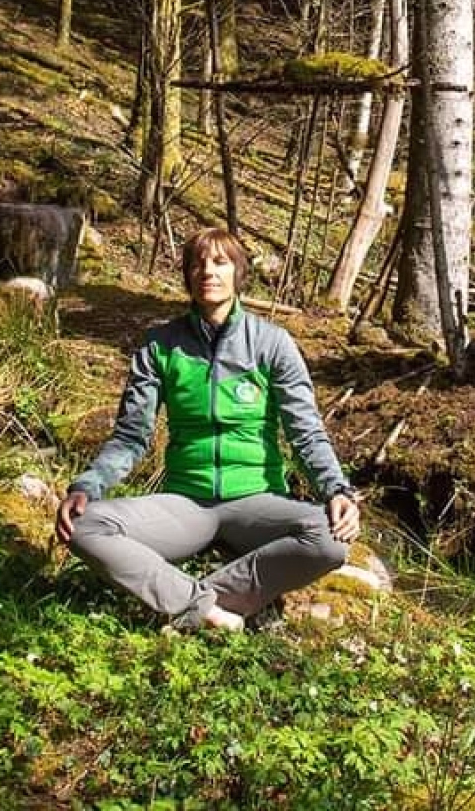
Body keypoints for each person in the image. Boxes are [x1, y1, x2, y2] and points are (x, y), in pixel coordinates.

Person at [55, 227, 361, 631]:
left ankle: (186, 601)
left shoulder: (272, 344)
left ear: (238, 273)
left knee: (329, 538)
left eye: (220, 262)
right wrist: (88, 486)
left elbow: (306, 432)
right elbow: (131, 436)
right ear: (186, 275)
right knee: (86, 526)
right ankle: (205, 608)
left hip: (258, 501)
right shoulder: (159, 346)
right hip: (187, 504)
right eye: (197, 263)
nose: (208, 272)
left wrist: (336, 490)